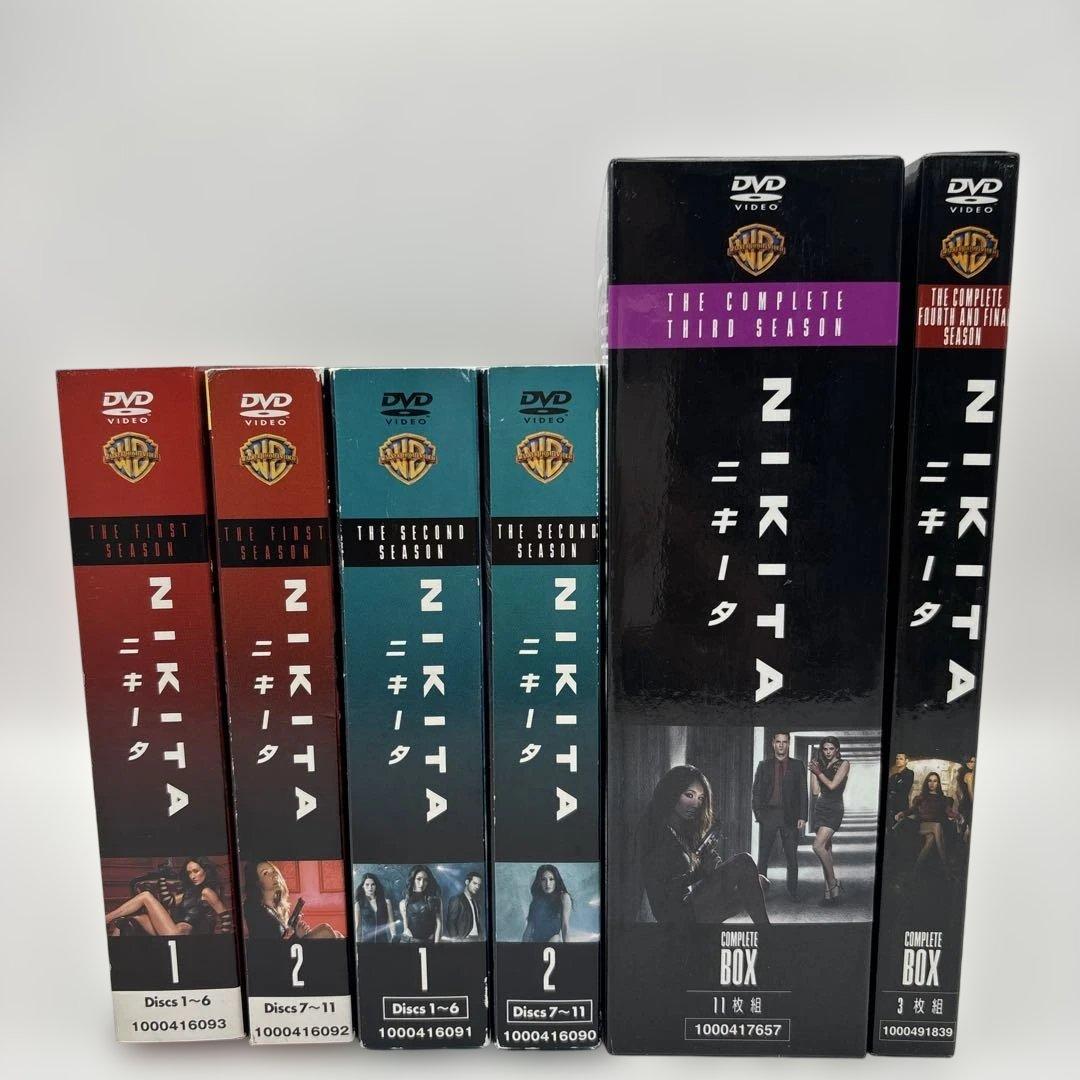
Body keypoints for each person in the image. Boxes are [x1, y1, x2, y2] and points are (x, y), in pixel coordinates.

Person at [639, 764, 769, 926]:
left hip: (690, 905)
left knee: (761, 882)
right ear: (672, 792)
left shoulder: (681, 829)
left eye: (700, 798)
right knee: (744, 861)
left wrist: (707, 863)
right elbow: (666, 889)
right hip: (676, 915)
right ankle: (767, 932)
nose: (696, 804)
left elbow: (689, 872)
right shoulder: (658, 832)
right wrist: (702, 871)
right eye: (689, 795)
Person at [105, 857, 227, 937]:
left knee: (146, 896)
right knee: (123, 921)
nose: (192, 876)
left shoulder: (208, 892)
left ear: (205, 870)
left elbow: (226, 918)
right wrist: (162, 880)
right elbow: (168, 902)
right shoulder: (189, 892)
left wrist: (220, 942)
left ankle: (106, 919)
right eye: (189, 872)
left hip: (177, 933)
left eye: (196, 871)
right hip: (170, 928)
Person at [751, 731, 808, 901]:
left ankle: (793, 892)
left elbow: (803, 792)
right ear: (773, 743)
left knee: (791, 856)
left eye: (784, 742)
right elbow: (756, 791)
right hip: (769, 815)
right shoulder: (764, 765)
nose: (781, 745)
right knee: (763, 856)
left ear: (788, 744)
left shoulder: (797, 765)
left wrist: (802, 816)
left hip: (789, 816)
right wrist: (759, 814)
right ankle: (761, 892)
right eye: (778, 742)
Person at [243, 861, 344, 940]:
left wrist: (295, 929)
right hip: (284, 956)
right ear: (256, 882)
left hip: (292, 947)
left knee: (337, 935)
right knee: (325, 930)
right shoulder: (255, 909)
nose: (274, 875)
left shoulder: (274, 906)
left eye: (273, 871)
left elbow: (283, 935)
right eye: (265, 873)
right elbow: (272, 948)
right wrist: (297, 936)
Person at [894, 773, 964, 873]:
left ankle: (915, 872)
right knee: (937, 826)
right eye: (930, 781)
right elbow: (912, 810)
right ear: (927, 782)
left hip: (935, 828)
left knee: (931, 838)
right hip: (921, 825)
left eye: (935, 781)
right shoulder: (921, 797)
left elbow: (949, 812)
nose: (932, 783)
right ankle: (946, 867)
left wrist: (958, 816)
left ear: (938, 783)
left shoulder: (943, 799)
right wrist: (902, 813)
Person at [809, 737, 850, 905]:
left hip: (834, 809)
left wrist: (818, 772)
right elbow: (815, 791)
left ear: (837, 750)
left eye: (831, 749)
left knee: (817, 846)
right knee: (826, 850)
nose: (827, 752)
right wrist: (813, 771)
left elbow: (833, 786)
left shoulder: (844, 764)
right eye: (825, 749)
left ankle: (833, 882)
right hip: (820, 808)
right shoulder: (822, 765)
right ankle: (829, 895)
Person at [522, 865, 572, 943]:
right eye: (543, 879)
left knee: (556, 938)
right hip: (535, 941)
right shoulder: (536, 900)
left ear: (556, 881)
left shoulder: (563, 897)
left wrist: (568, 948)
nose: (547, 884)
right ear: (539, 882)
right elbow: (529, 928)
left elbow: (565, 926)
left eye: (551, 879)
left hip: (553, 941)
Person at [399, 865, 442, 943]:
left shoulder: (434, 900)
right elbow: (406, 928)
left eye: (425, 880)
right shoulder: (404, 902)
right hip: (408, 941)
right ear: (412, 879)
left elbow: (439, 924)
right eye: (418, 879)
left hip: (427, 942)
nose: (422, 883)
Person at [355, 872, 395, 943]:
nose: (370, 887)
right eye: (367, 885)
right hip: (366, 943)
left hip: (383, 942)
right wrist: (357, 944)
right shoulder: (358, 905)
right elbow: (358, 927)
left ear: (376, 886)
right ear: (363, 886)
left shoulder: (386, 902)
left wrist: (394, 938)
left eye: (372, 884)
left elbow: (391, 923)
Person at [445, 871, 485, 941]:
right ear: (467, 882)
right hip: (464, 939)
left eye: (479, 885)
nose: (477, 887)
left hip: (477, 939)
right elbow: (450, 922)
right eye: (474, 883)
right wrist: (456, 939)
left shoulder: (476, 902)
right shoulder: (457, 899)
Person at [886, 752, 915, 822]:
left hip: (901, 807)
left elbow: (903, 789)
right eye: (897, 759)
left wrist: (893, 790)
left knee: (900, 826)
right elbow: (890, 790)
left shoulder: (909, 773)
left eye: (901, 759)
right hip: (891, 807)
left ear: (906, 761)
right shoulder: (893, 776)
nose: (898, 760)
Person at [955, 756, 975, 844]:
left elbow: (957, 792)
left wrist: (961, 802)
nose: (972, 764)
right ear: (966, 763)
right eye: (970, 761)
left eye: (974, 762)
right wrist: (974, 805)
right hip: (969, 804)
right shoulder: (969, 775)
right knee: (970, 829)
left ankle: (959, 848)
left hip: (964, 804)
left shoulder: (963, 774)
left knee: (963, 830)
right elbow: (970, 792)